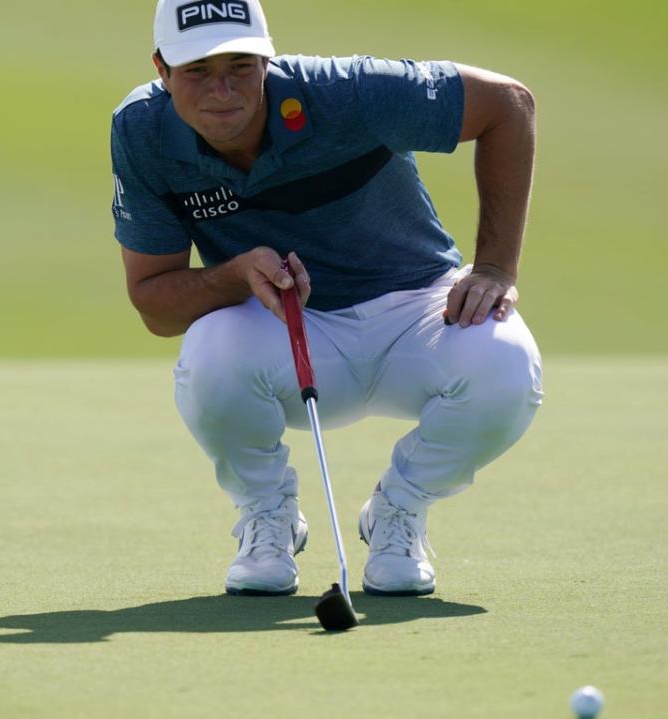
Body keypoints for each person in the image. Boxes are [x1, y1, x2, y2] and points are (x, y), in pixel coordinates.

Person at [110, 0, 544, 597]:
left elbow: (508, 105)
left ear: (269, 59)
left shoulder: (347, 92)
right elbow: (155, 307)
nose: (222, 91)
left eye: (241, 66)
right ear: (161, 69)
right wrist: (235, 274)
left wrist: (495, 265)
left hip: (417, 311)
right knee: (209, 348)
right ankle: (269, 518)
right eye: (197, 71)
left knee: (507, 362)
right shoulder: (141, 131)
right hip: (287, 332)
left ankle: (399, 512)